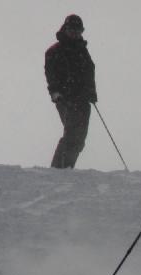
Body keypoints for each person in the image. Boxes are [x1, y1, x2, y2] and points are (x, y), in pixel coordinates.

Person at [44, 14, 97, 169]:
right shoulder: (55, 51)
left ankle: (66, 168)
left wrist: (91, 92)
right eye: (72, 30)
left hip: (83, 98)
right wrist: (55, 92)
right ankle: (59, 169)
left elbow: (90, 71)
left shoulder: (82, 51)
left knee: (80, 138)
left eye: (78, 31)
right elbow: (50, 73)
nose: (75, 33)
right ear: (65, 29)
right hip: (65, 98)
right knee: (72, 132)